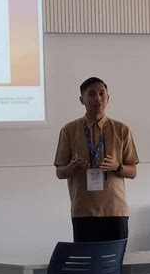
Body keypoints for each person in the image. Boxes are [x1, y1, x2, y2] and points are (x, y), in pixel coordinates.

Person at [54, 77, 138, 243]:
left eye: (102, 94)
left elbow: (133, 172)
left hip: (115, 211)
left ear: (108, 98)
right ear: (82, 99)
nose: (98, 98)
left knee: (114, 258)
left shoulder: (122, 129)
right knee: (87, 258)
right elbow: (59, 172)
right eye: (91, 94)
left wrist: (117, 166)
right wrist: (71, 167)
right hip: (83, 211)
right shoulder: (69, 130)